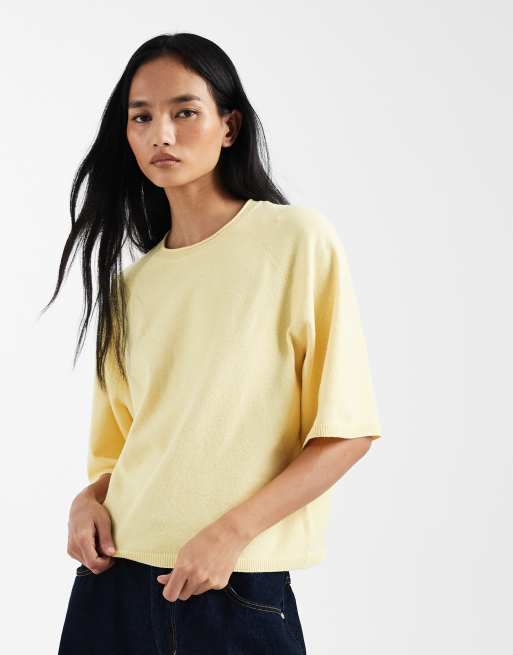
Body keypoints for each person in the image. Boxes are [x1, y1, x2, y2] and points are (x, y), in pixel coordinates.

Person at [45, 32, 383, 655]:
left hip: (231, 586)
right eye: (141, 118)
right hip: (112, 586)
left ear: (229, 126)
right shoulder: (131, 288)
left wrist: (231, 535)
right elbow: (120, 455)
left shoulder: (295, 242)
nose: (161, 134)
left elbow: (347, 432)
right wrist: (85, 503)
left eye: (184, 112)